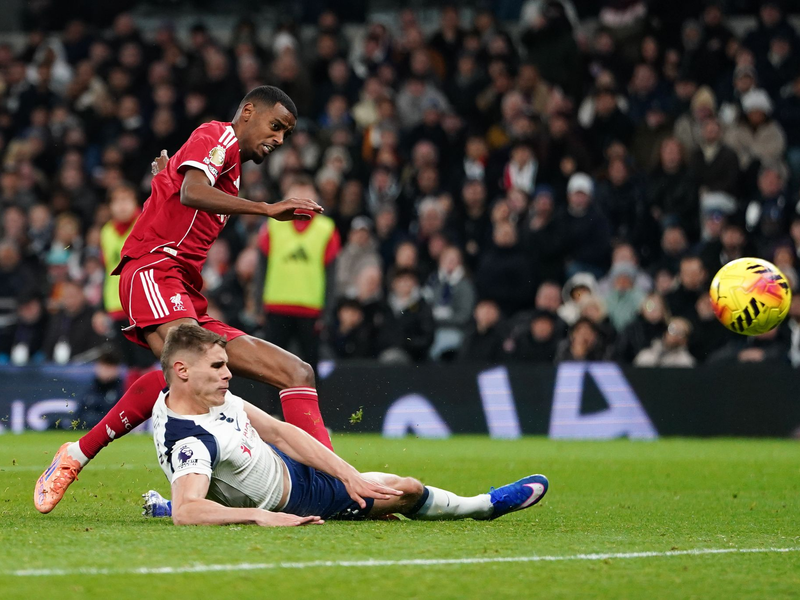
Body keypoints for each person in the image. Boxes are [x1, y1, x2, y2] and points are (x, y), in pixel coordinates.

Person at [34, 86, 332, 514]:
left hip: (186, 291)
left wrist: (166, 173)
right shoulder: (217, 136)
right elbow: (192, 192)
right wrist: (267, 209)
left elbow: (182, 192)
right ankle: (76, 456)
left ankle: (333, 480)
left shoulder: (227, 167)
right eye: (276, 126)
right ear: (248, 112)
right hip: (153, 269)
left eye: (286, 132)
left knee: (296, 371)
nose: (280, 139)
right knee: (187, 373)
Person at [142, 324, 548, 525]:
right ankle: (484, 506)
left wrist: (346, 472)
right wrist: (260, 516)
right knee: (406, 489)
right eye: (217, 366)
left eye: (227, 364)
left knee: (353, 477)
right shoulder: (190, 442)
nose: (229, 374)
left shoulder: (202, 395)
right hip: (304, 498)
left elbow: (281, 432)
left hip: (288, 466)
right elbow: (188, 510)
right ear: (181, 370)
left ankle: (161, 503)